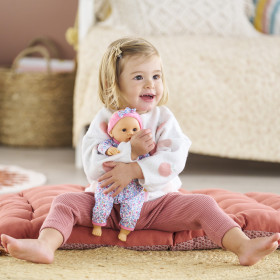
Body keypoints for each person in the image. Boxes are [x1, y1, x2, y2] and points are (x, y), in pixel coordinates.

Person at [1, 37, 280, 265]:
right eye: (138, 77)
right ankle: (45, 246)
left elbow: (175, 157)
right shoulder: (102, 119)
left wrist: (136, 169)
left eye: (156, 76)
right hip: (107, 206)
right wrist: (127, 153)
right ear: (114, 84)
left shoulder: (164, 118)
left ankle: (243, 246)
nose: (151, 84)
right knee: (64, 201)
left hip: (157, 204)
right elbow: (92, 164)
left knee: (203, 204)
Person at [92, 107, 149, 242]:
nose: (130, 133)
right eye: (124, 130)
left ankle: (125, 230)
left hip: (132, 188)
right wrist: (108, 150)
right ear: (111, 132)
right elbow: (101, 147)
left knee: (133, 208)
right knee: (102, 202)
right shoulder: (111, 144)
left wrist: (146, 181)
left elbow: (147, 164)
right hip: (110, 184)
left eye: (135, 130)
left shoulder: (139, 147)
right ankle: (98, 224)